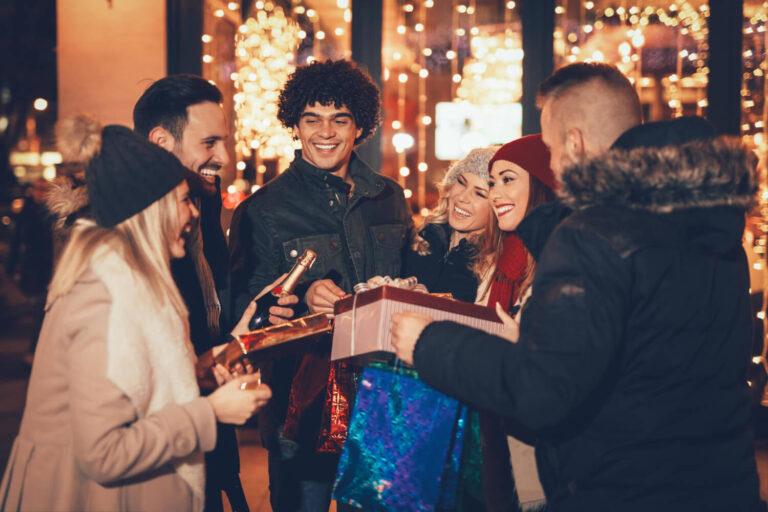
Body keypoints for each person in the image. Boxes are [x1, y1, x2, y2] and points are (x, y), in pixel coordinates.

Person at [392, 70, 761, 510]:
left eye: (549, 148)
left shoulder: (594, 232)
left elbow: (540, 393)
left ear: (574, 143)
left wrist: (428, 341)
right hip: (723, 486)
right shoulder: (710, 223)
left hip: (624, 491)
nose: (552, 164)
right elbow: (648, 356)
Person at [0, 118, 271, 512]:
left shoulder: (132, 280)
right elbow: (104, 452)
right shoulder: (105, 297)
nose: (194, 214)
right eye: (183, 200)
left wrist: (202, 368)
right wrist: (210, 412)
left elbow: (130, 384)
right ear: (151, 211)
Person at [228, 59, 412, 511]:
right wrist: (301, 301)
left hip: (381, 404)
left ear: (359, 127)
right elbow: (244, 319)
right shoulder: (262, 209)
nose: (325, 131)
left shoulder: (389, 198)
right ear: (296, 123)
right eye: (312, 118)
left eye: (339, 119)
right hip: (302, 412)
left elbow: (414, 288)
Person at [133, 74, 297, 512]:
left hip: (207, 436)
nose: (224, 157)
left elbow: (202, 334)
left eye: (224, 142)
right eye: (209, 143)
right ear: (161, 140)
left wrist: (241, 332)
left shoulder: (203, 206)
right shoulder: (126, 242)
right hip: (159, 454)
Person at [404, 146, 497, 303]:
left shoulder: (494, 266)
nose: (462, 197)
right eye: (461, 183)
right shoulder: (425, 236)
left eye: (480, 193)